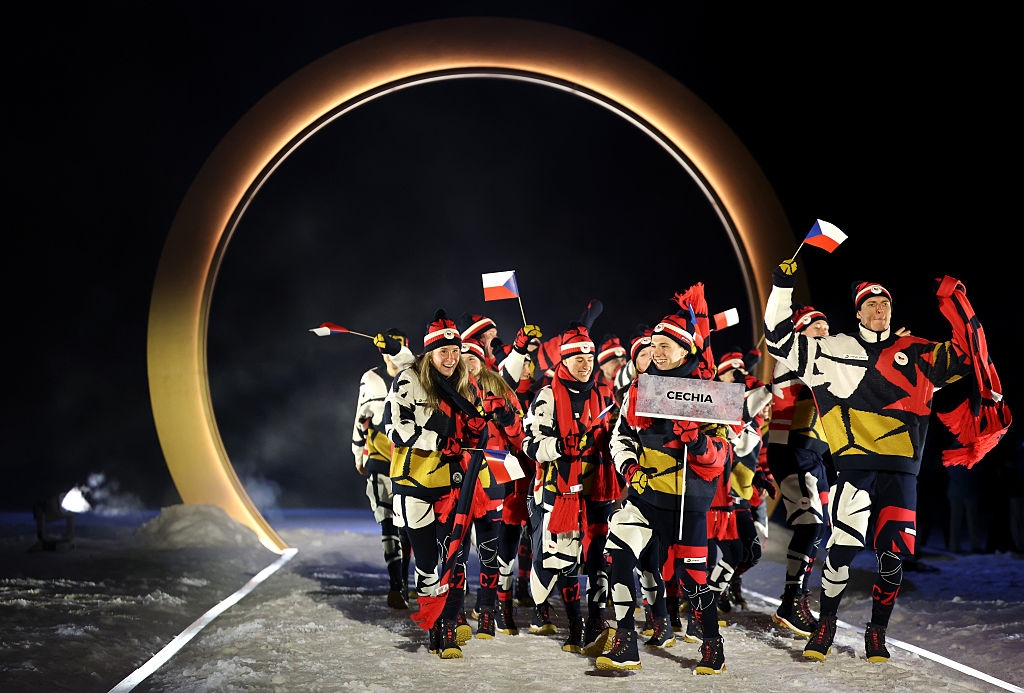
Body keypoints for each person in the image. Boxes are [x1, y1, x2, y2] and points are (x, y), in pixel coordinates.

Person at [765, 262, 1009, 663]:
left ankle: (877, 632)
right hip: (856, 468)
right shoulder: (834, 349)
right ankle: (826, 624)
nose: (880, 309)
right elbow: (778, 339)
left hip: (902, 471)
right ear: (858, 311)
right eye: (871, 304)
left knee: (892, 556)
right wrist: (782, 285)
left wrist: (957, 304)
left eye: (885, 303)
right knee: (841, 550)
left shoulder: (916, 352)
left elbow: (969, 355)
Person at [597, 284, 732, 675]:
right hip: (646, 495)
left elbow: (724, 453)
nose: (655, 352)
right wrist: (630, 469)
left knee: (693, 582)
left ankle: (712, 643)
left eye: (664, 346)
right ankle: (626, 641)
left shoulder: (712, 392)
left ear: (686, 349)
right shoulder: (640, 387)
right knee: (617, 552)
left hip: (690, 502)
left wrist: (700, 441)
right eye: (653, 345)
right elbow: (620, 436)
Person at [383, 309, 490, 659]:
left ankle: (446, 627)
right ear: (429, 353)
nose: (451, 357)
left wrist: (478, 429)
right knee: (429, 562)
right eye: (443, 351)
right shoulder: (408, 379)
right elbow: (395, 428)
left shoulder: (465, 382)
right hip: (414, 483)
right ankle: (434, 624)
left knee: (454, 559)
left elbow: (476, 427)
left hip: (454, 483)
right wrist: (436, 440)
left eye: (455, 350)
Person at [523, 322, 618, 656]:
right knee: (562, 558)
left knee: (598, 558)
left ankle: (595, 620)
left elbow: (618, 434)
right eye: (577, 357)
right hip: (559, 490)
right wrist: (561, 447)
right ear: (564, 360)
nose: (585, 363)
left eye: (589, 357)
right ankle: (574, 622)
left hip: (599, 490)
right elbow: (530, 443)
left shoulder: (604, 393)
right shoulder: (547, 394)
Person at [763, 304, 834, 637]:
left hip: (813, 454)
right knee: (810, 525)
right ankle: (792, 601)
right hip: (792, 450)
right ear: (800, 332)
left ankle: (795, 598)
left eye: (826, 327)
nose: (824, 332)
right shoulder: (793, 357)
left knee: (819, 529)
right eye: (816, 327)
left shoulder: (823, 360)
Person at [458, 336, 529, 639]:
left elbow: (520, 439)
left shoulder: (499, 387)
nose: (467, 363)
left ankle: (487, 610)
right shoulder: (447, 389)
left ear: (481, 360)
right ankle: (456, 613)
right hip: (459, 473)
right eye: (462, 358)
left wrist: (507, 416)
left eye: (472, 357)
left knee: (490, 547)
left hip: (494, 471)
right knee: (456, 548)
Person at [352, 327, 415, 609]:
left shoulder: (415, 374)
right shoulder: (371, 378)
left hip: (411, 463)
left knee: (409, 527)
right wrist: (357, 453)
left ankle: (404, 582)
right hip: (380, 460)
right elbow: (360, 417)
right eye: (387, 347)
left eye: (396, 347)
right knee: (388, 523)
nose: (391, 353)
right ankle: (396, 586)